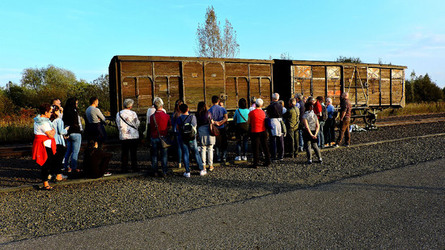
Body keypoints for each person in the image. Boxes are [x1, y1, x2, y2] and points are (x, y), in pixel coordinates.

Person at [32, 104, 66, 190]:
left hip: (42, 144)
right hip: (45, 145)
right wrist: (53, 131)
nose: (51, 113)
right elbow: (50, 135)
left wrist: (52, 132)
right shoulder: (44, 123)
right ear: (46, 112)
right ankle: (45, 183)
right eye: (50, 112)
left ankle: (47, 180)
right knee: (46, 164)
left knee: (47, 163)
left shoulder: (37, 120)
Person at [177, 104, 206, 177]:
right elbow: (194, 126)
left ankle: (187, 172)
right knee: (196, 153)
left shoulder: (179, 118)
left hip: (183, 137)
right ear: (188, 109)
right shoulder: (192, 117)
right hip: (192, 138)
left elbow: (177, 128)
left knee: (185, 153)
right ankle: (201, 169)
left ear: (180, 110)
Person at [116, 99, 140, 173]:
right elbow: (137, 123)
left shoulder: (119, 113)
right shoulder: (133, 113)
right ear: (131, 106)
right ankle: (134, 167)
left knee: (124, 153)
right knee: (133, 153)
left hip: (124, 136)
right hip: (133, 136)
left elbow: (118, 123)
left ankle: (124, 168)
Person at [149, 98, 171, 177]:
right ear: (162, 105)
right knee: (164, 155)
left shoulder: (152, 117)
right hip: (163, 138)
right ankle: (164, 171)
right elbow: (169, 127)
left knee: (154, 155)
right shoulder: (167, 116)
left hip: (154, 137)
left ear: (154, 106)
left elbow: (151, 127)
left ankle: (155, 171)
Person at [247, 98, 271, 168]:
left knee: (255, 148)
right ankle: (267, 161)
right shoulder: (263, 112)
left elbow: (248, 122)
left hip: (254, 131)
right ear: (262, 105)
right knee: (265, 146)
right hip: (263, 130)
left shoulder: (251, 113)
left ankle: (255, 163)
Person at [63, 97, 83, 173]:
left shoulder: (66, 112)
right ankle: (74, 167)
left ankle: (66, 166)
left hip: (68, 133)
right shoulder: (75, 112)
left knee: (68, 151)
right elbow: (76, 123)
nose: (77, 105)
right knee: (75, 152)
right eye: (76, 103)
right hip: (76, 133)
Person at [302, 98, 322, 164]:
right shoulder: (314, 115)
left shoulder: (304, 116)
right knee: (315, 145)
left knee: (308, 146)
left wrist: (311, 134)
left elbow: (307, 127)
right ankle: (319, 158)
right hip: (314, 131)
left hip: (308, 132)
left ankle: (310, 159)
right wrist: (315, 134)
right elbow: (318, 125)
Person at [196, 101, 216, 172]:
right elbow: (212, 121)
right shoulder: (209, 113)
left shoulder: (197, 114)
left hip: (201, 130)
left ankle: (203, 166)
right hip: (208, 130)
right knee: (210, 148)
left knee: (203, 148)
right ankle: (211, 165)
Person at [208, 95, 228, 163]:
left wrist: (215, 123)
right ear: (218, 101)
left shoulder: (210, 110)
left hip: (214, 128)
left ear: (212, 101)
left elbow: (210, 119)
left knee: (216, 143)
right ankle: (224, 156)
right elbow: (226, 118)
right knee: (224, 142)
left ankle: (218, 157)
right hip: (222, 127)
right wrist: (221, 122)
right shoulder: (223, 109)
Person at [50, 105, 69, 172]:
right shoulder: (59, 120)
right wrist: (66, 130)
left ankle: (51, 173)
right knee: (59, 159)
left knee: (53, 158)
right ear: (56, 111)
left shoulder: (50, 120)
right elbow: (61, 131)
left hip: (52, 141)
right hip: (59, 141)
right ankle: (58, 174)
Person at [266, 93, 284, 161]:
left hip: (272, 121)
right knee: (280, 140)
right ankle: (281, 155)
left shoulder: (270, 106)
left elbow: (267, 114)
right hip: (279, 122)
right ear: (278, 98)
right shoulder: (281, 106)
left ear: (273, 98)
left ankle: (273, 156)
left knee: (273, 140)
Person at [171, 99, 183, 168]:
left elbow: (172, 123)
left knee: (178, 147)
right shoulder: (184, 113)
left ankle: (179, 162)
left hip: (176, 131)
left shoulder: (174, 114)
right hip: (183, 131)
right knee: (184, 146)